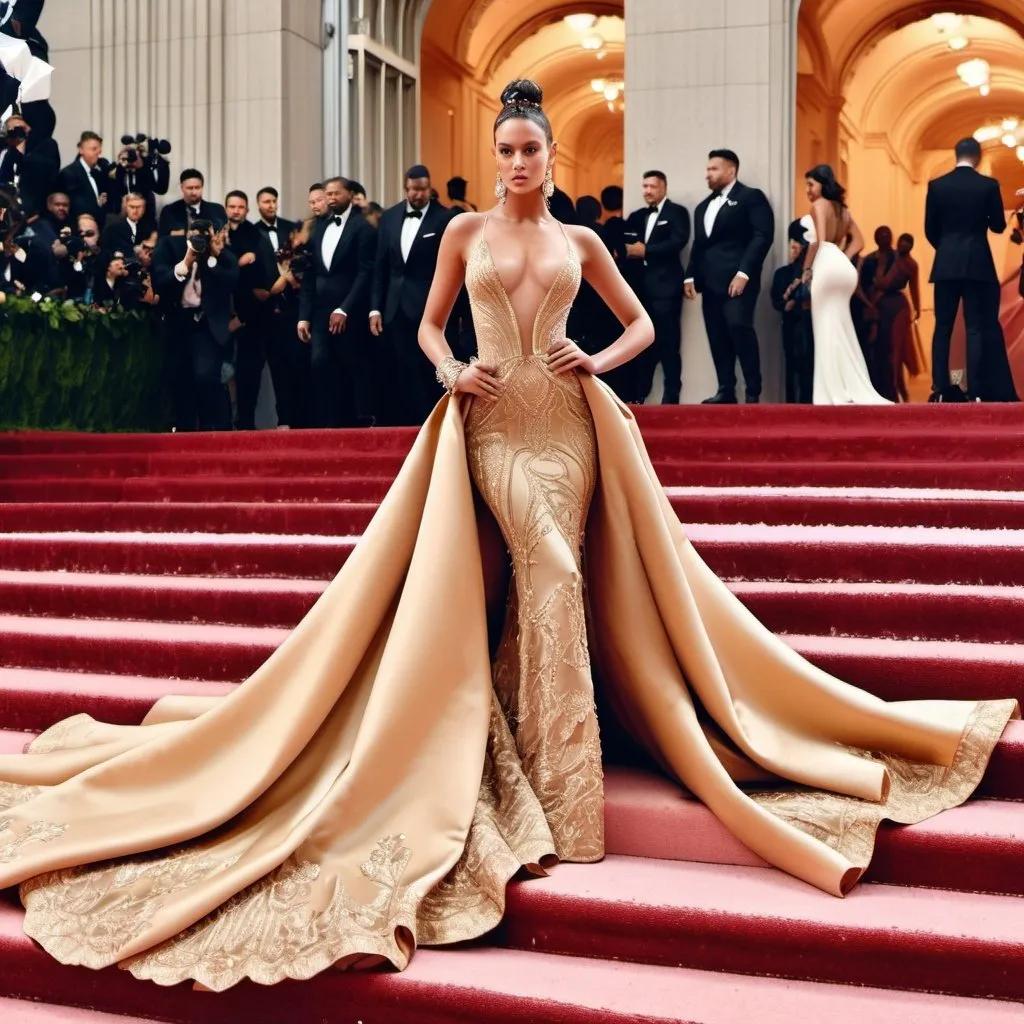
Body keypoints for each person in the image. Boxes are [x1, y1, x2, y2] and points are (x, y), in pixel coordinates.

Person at [0, 77, 1014, 993]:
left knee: (555, 573)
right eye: (507, 150)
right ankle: (560, 802)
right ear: (496, 158)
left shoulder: (577, 243)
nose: (519, 162)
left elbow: (646, 326)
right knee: (551, 566)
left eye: (531, 149)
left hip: (566, 428)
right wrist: (446, 368)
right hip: (490, 429)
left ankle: (554, 771)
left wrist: (598, 358)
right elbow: (430, 325)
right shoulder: (462, 237)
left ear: (550, 159)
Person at [685, 149, 774, 404]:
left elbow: (761, 236)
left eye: (713, 169)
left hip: (739, 281)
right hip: (709, 283)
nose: (707, 174)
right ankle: (726, 390)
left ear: (731, 171)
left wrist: (744, 272)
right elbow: (699, 244)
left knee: (739, 327)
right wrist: (690, 276)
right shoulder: (703, 206)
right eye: (707, 169)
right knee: (716, 334)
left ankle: (753, 391)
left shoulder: (751, 197)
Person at [369, 164, 454, 425]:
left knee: (430, 367)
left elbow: (452, 268)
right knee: (399, 367)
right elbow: (380, 266)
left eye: (423, 189)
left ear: (430, 188)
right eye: (414, 189)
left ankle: (433, 422)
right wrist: (375, 308)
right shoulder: (390, 217)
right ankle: (404, 424)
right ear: (406, 188)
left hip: (430, 305)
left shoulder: (445, 218)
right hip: (395, 306)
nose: (419, 194)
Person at [925, 137, 1006, 402]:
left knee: (943, 326)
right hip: (977, 264)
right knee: (975, 327)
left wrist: (947, 248)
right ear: (978, 157)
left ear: (955, 154)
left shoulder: (937, 186)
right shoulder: (988, 186)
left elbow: (930, 229)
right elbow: (997, 226)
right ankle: (977, 390)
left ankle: (938, 386)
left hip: (946, 264)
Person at [801, 164, 889, 406]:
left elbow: (817, 242)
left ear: (822, 184)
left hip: (827, 266)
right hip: (844, 268)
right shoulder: (844, 211)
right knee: (841, 326)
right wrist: (843, 254)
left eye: (811, 185)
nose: (808, 190)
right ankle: (850, 385)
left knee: (825, 327)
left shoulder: (819, 205)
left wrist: (806, 270)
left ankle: (832, 391)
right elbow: (859, 242)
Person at [297, 176, 376, 427]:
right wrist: (303, 315)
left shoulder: (362, 228)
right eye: (327, 194)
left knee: (351, 362)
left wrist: (345, 308)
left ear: (349, 195)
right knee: (319, 362)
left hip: (350, 308)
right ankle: (328, 421)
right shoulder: (319, 227)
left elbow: (365, 273)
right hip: (320, 308)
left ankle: (359, 419)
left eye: (335, 194)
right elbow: (311, 273)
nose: (331, 198)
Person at [152, 219, 239, 431]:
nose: (200, 239)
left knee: (206, 375)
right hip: (177, 322)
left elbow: (233, 280)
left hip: (207, 325)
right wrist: (185, 262)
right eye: (195, 234)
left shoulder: (221, 254)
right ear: (187, 232)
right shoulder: (169, 246)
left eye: (205, 235)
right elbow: (160, 281)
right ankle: (184, 429)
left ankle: (215, 428)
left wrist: (213, 257)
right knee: (180, 377)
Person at [624, 170, 690, 403]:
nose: (648, 191)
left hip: (666, 289)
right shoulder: (634, 216)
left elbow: (678, 241)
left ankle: (671, 397)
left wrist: (646, 250)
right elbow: (623, 244)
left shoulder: (677, 212)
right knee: (641, 344)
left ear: (664, 188)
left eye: (652, 186)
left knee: (669, 343)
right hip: (638, 290)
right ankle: (640, 395)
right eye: (644, 186)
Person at [770, 218, 814, 403]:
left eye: (799, 246)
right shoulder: (783, 273)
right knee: (792, 366)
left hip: (810, 324)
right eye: (792, 245)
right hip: (792, 325)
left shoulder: (815, 273)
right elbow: (777, 300)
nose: (794, 250)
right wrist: (786, 303)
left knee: (809, 367)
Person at [157, 169, 227, 237]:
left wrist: (178, 233)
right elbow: (163, 236)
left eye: (197, 188)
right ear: (182, 187)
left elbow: (223, 234)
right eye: (190, 188)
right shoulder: (169, 211)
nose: (194, 192)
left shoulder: (217, 210)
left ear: (202, 187)